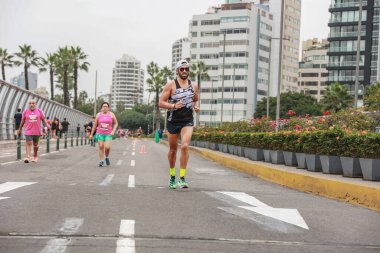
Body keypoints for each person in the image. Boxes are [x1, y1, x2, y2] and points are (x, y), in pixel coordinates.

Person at [158, 59, 199, 189]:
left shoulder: (194, 85)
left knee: (185, 147)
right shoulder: (171, 85)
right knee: (173, 150)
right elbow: (161, 102)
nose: (185, 71)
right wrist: (174, 105)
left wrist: (196, 107)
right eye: (182, 69)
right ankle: (172, 176)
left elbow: (195, 100)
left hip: (187, 120)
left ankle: (182, 178)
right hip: (173, 120)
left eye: (187, 69)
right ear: (177, 70)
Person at [90, 102, 118, 167]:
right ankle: (101, 161)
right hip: (100, 133)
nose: (105, 108)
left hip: (108, 134)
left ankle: (106, 157)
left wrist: (113, 131)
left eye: (106, 106)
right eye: (103, 106)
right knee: (101, 146)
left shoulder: (111, 114)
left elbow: (116, 123)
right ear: (101, 108)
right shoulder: (98, 115)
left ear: (108, 108)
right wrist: (91, 134)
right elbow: (95, 125)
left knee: (107, 147)